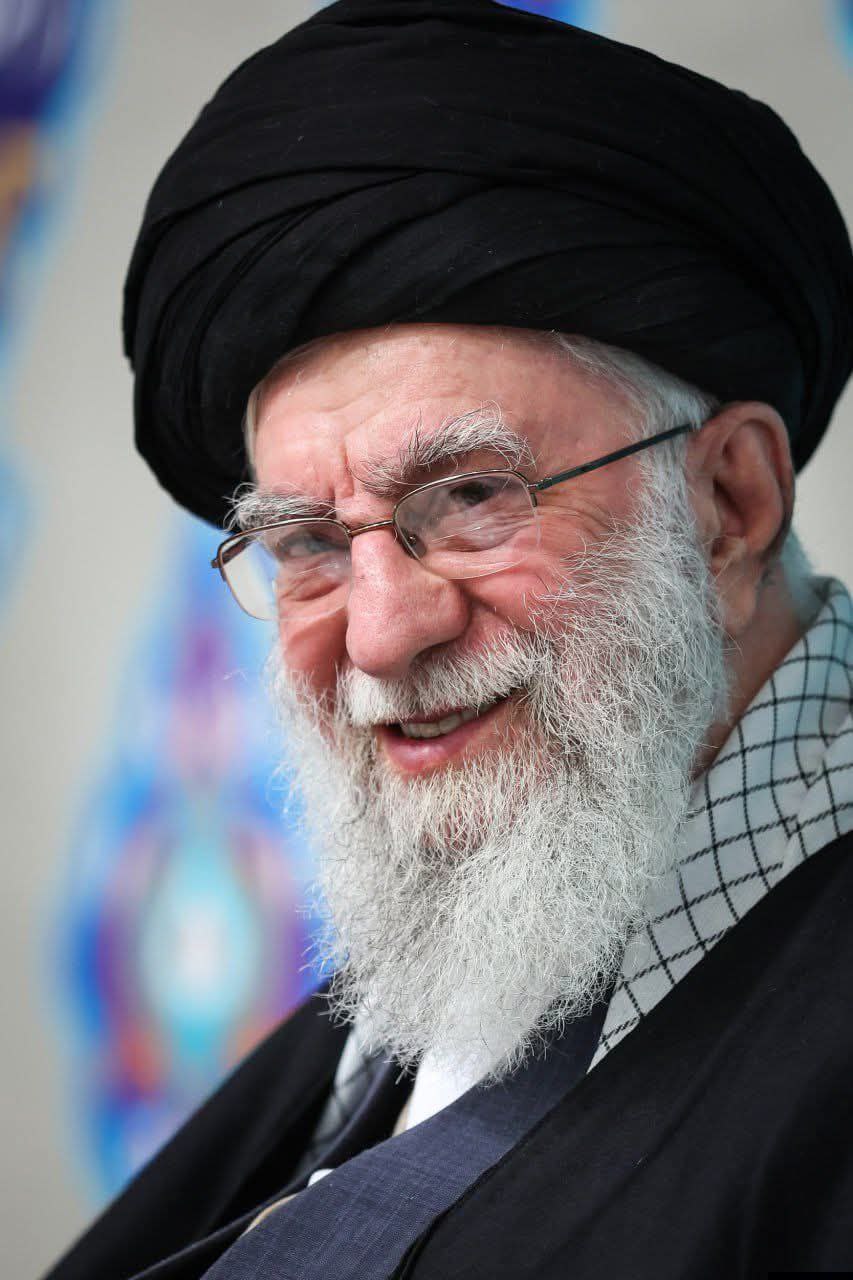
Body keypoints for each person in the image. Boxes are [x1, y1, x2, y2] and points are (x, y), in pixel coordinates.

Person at [47, 1, 853, 1277]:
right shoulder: (465, 948)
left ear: (727, 503)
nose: (380, 636)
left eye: (471, 496)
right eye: (309, 543)